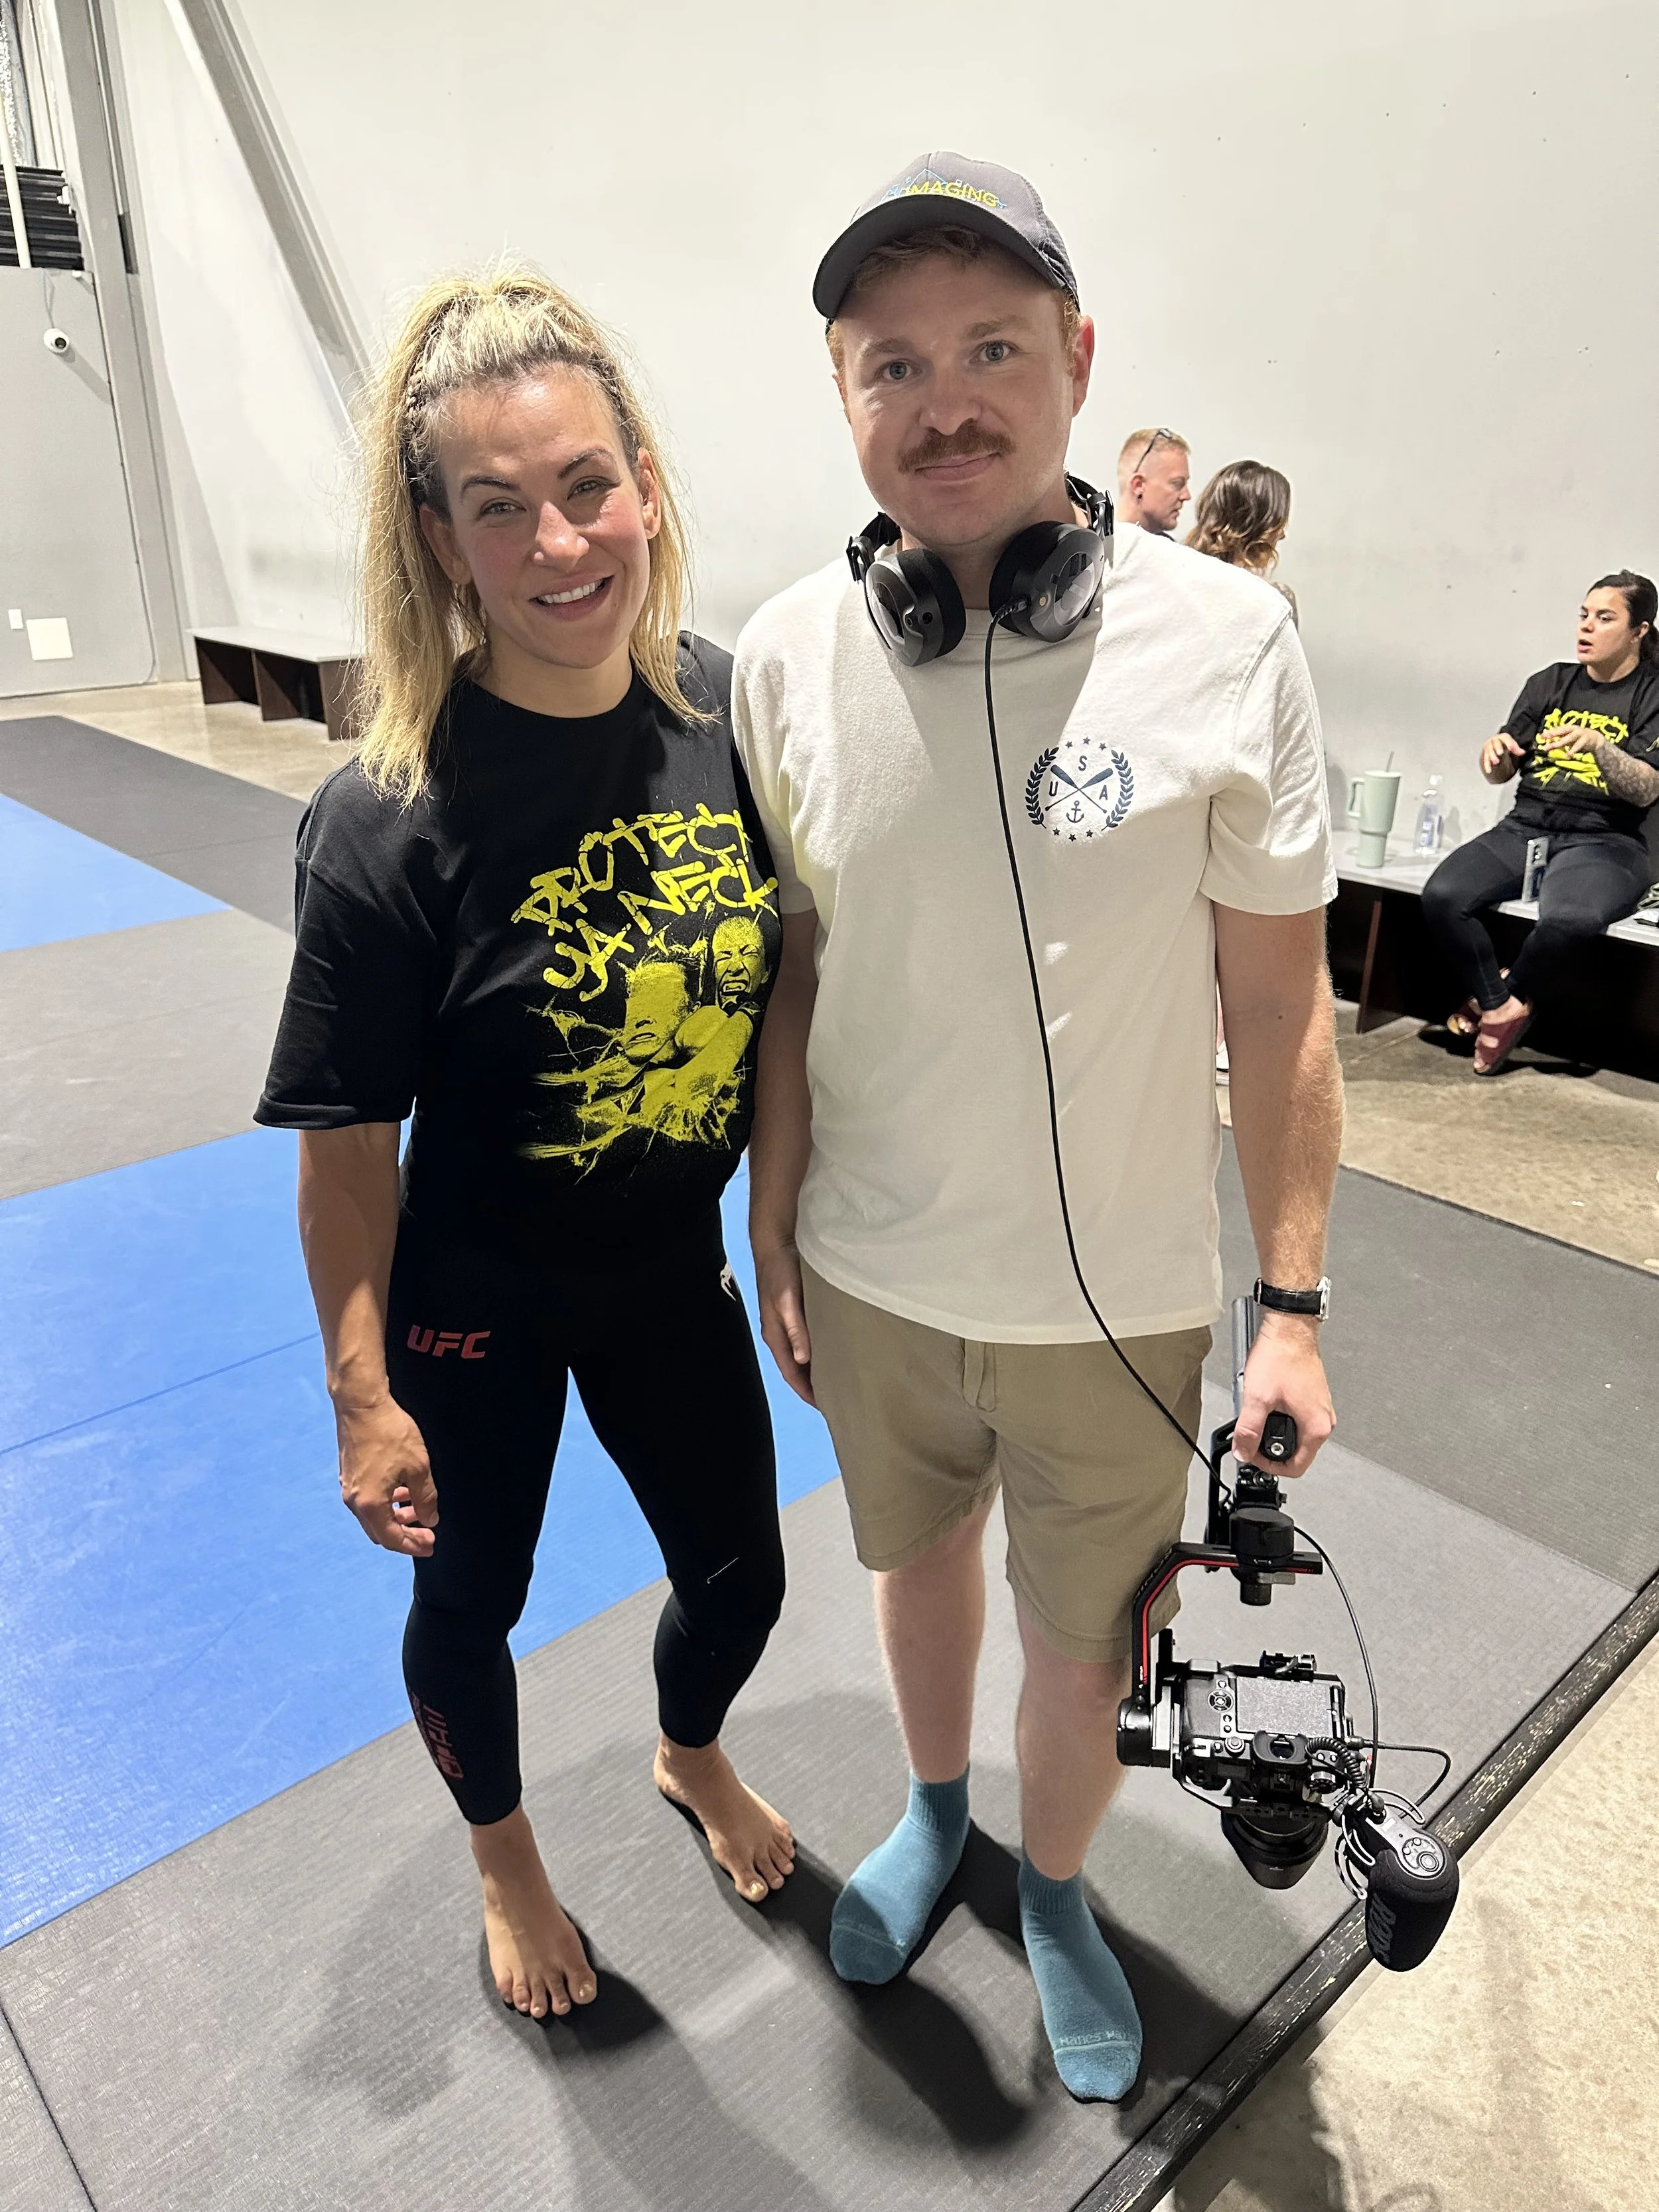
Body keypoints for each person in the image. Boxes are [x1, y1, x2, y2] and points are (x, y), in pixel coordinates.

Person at [734, 153, 1341, 2102]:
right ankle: (932, 1814)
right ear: (842, 398)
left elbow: (1277, 1000)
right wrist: (774, 1214)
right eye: (889, 361)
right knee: (912, 1576)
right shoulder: (775, 659)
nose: (944, 398)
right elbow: (797, 977)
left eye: (991, 345)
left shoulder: (1225, 646)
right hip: (876, 1272)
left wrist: (1294, 1303)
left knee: (1078, 1648)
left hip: (1121, 1306)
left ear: (1076, 361)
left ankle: (1058, 1887)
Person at [255, 270, 794, 2026]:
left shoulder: (727, 712)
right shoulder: (386, 816)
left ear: (641, 475)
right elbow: (345, 1149)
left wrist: (783, 1228)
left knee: (745, 1573)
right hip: (473, 1301)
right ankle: (502, 1852)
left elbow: (787, 991)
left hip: (668, 1270)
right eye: (499, 508)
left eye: (584, 484)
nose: (559, 542)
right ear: (438, 538)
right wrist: (363, 1390)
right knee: (468, 1601)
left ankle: (686, 1748)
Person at [1421, 571, 1659, 1074]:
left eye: (1605, 617)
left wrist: (1599, 746)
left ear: (1639, 630)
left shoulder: (1652, 694)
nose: (1587, 627)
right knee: (1443, 895)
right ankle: (1502, 1004)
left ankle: (1497, 997)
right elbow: (1503, 768)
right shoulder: (1550, 682)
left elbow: (1646, 787)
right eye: (1584, 614)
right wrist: (1494, 756)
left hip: (1608, 840)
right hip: (1527, 825)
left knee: (1569, 920)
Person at [1188, 459, 1297, 623]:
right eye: (1279, 522)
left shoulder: (1175, 575)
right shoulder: (1276, 601)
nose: (1282, 535)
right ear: (1265, 526)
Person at [1116, 423, 1193, 535]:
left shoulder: (1172, 551)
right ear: (1139, 485)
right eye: (1177, 484)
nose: (1186, 496)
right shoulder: (1098, 548)